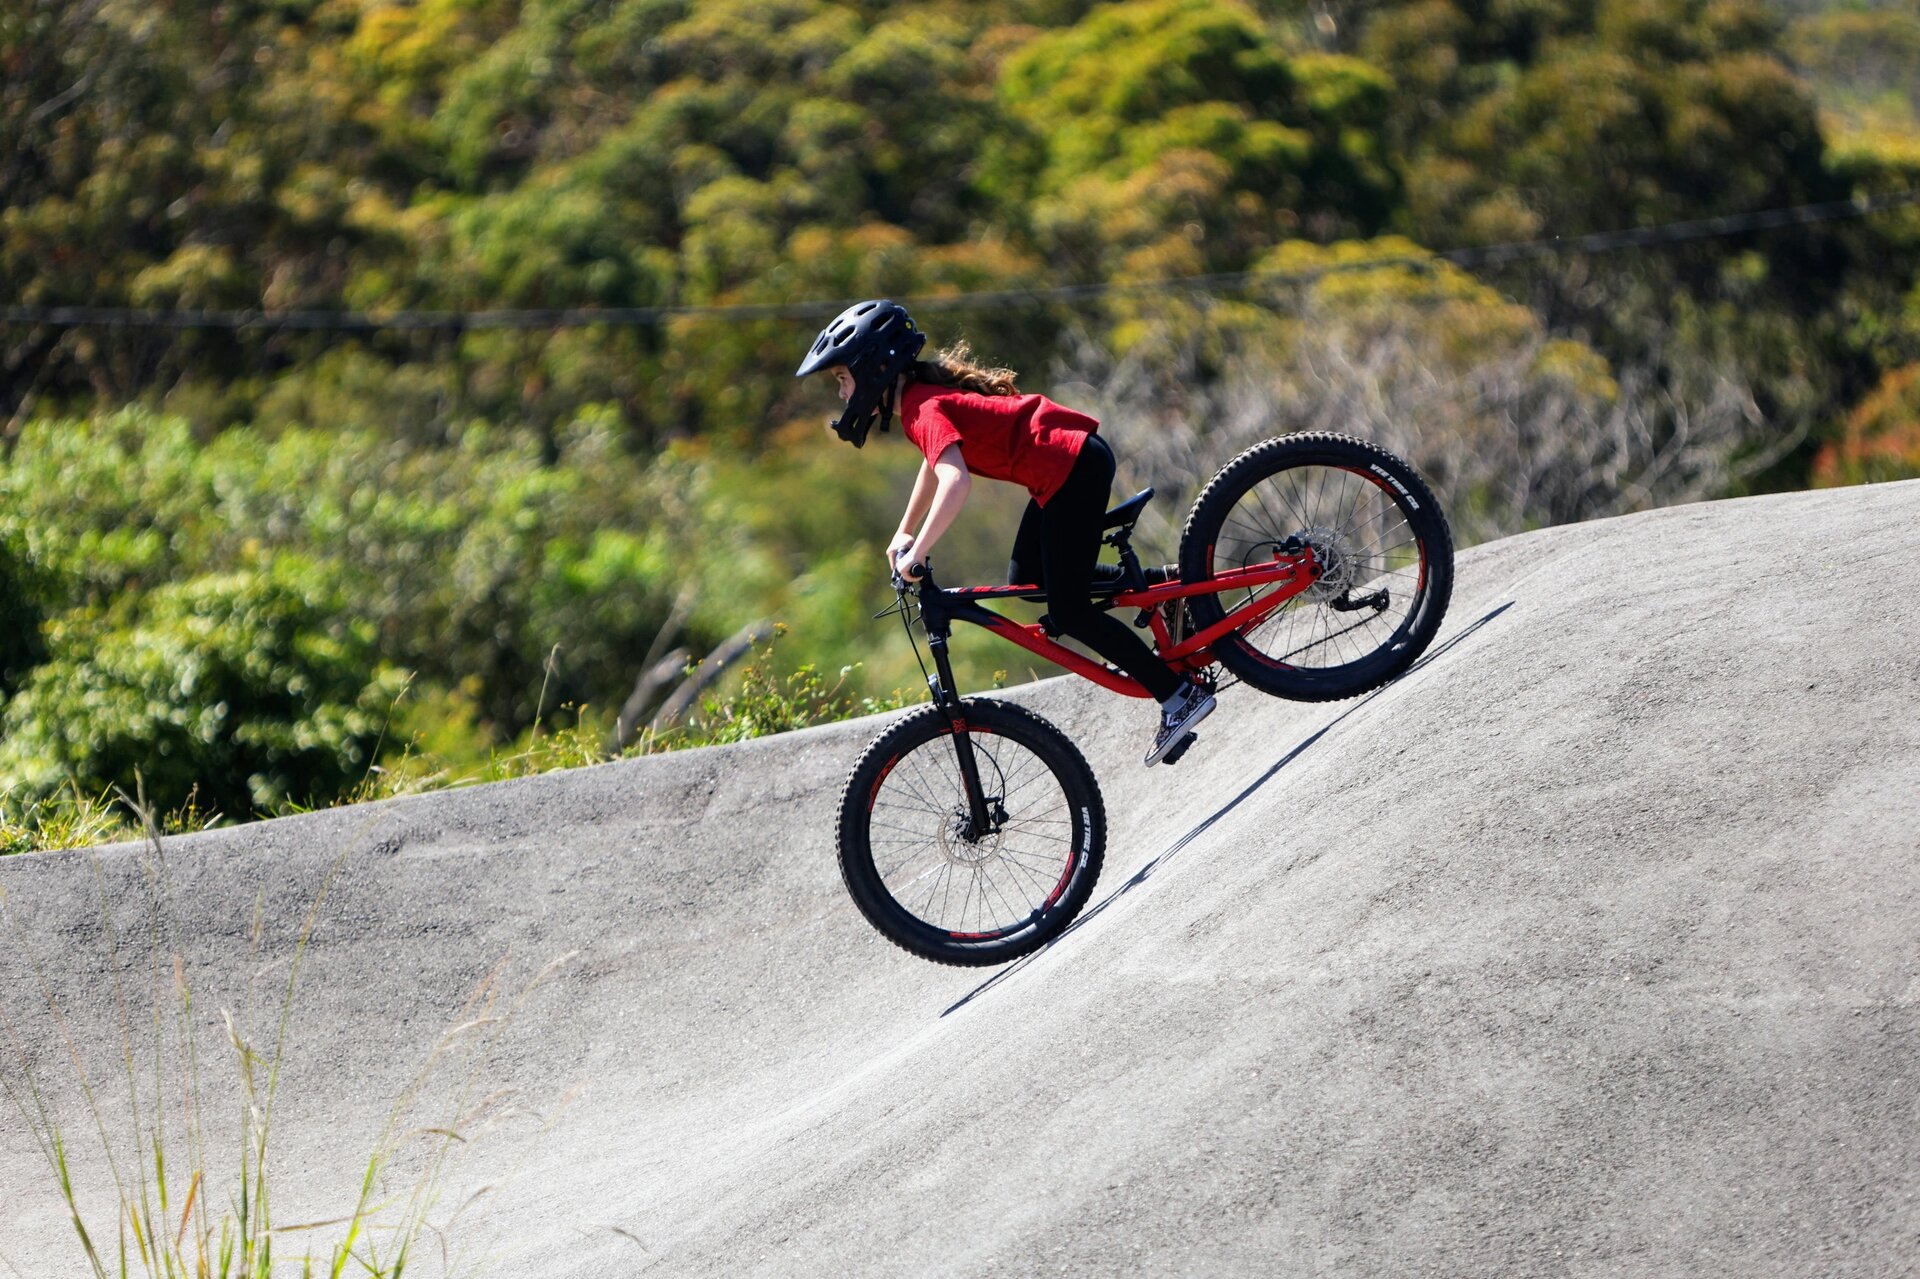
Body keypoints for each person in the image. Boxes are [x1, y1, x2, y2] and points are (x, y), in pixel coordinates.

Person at [794, 298, 1215, 766]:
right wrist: (903, 532)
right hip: (1064, 469)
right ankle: (1162, 586)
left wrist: (920, 552)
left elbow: (955, 480)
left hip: (1071, 467)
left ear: (872, 367)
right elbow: (933, 468)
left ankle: (1178, 695)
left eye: (841, 379)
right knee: (1027, 576)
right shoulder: (916, 402)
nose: (841, 394)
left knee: (1070, 611)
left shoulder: (919, 407)